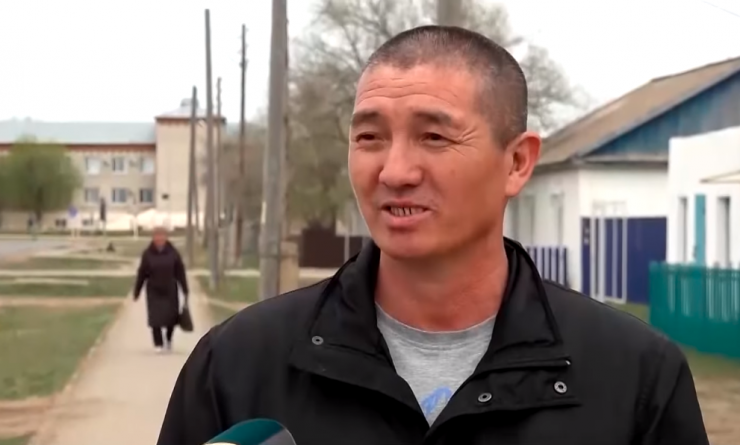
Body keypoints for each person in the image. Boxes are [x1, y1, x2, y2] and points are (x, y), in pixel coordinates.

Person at [157, 26, 708, 445]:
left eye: (434, 137)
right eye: (369, 137)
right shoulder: (238, 367)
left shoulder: (634, 378)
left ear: (517, 162)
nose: (394, 171)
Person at [133, 226, 189, 353]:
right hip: (154, 290)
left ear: (166, 237)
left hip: (170, 289)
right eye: (157, 236)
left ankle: (168, 339)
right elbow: (142, 273)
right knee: (155, 318)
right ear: (153, 238)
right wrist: (137, 291)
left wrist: (185, 289)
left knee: (171, 317)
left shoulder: (173, 252)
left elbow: (180, 272)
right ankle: (158, 343)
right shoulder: (147, 254)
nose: (159, 238)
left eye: (162, 236)